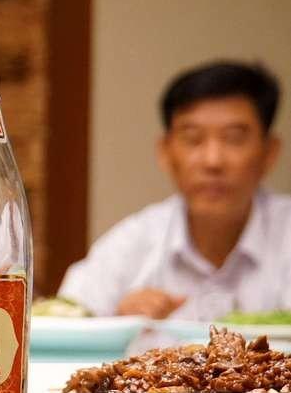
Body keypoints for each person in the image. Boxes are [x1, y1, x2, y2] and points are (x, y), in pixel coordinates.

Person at [59, 61, 290, 320]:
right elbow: (63, 320)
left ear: (270, 153)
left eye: (234, 139)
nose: (212, 161)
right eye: (193, 139)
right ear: (165, 152)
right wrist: (116, 324)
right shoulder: (133, 242)